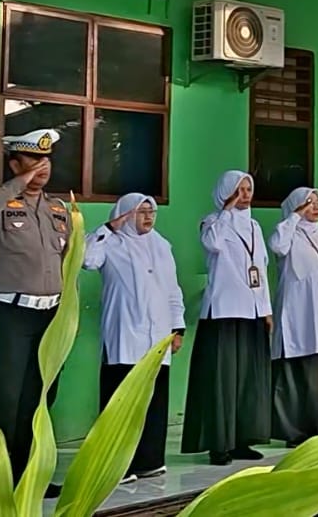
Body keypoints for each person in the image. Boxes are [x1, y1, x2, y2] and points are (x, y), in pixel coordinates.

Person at [0, 128, 72, 497]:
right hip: (8, 316)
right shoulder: (0, 205)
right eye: (32, 161)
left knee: (39, 399)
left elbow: (71, 259)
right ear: (15, 164)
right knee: (7, 399)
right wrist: (17, 183)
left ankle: (31, 474)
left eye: (46, 162)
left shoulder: (58, 209)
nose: (41, 168)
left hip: (47, 318)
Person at [82, 194, 184, 482]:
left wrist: (177, 328)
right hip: (124, 335)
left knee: (154, 401)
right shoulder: (109, 243)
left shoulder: (162, 245)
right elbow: (87, 260)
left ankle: (149, 460)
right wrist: (108, 228)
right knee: (121, 401)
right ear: (124, 214)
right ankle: (117, 465)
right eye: (141, 212)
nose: (148, 216)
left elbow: (173, 289)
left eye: (151, 211)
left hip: (159, 336)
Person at [182, 170, 273, 465]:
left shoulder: (255, 227)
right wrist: (226, 210)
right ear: (225, 192)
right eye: (238, 189)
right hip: (223, 311)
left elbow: (261, 268)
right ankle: (218, 444)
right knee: (221, 381)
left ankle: (242, 440)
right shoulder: (212, 222)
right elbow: (213, 244)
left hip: (253, 311)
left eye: (248, 189)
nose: (245, 194)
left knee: (248, 380)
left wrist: (267, 309)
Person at [268, 187, 318, 446]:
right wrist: (293, 217)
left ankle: (315, 427)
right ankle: (292, 432)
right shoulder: (287, 234)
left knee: (317, 375)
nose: (315, 207)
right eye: (308, 203)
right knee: (293, 373)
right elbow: (277, 246)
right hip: (297, 314)